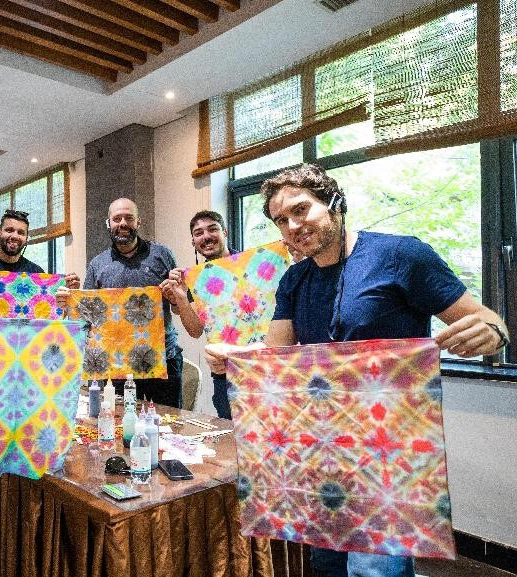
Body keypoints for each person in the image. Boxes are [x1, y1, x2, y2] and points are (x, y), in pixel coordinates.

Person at [205, 163, 508, 577]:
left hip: (386, 453)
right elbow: (275, 359)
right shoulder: (294, 280)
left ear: (334, 202)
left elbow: (491, 321)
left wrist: (491, 333)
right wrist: (232, 355)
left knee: (373, 570)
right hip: (317, 448)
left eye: (301, 210)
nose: (293, 225)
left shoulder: (400, 255)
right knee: (326, 563)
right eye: (281, 220)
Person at [81, 197, 184, 408]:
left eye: (129, 218)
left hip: (164, 358)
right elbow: (88, 315)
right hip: (117, 363)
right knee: (120, 425)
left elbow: (179, 307)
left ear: (139, 222)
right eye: (117, 218)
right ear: (108, 223)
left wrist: (176, 296)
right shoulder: (97, 265)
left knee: (171, 424)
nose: (123, 223)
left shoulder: (162, 255)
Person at [160, 210, 235, 418]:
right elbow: (194, 330)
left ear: (225, 232)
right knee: (231, 434)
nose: (206, 237)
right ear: (193, 242)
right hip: (223, 370)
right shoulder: (197, 279)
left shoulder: (253, 264)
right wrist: (181, 296)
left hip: (261, 364)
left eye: (213, 229)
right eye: (198, 233)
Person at [0, 208, 80, 315]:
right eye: (9, 230)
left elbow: (46, 313)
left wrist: (70, 294)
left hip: (22, 341)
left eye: (20, 232)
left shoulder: (35, 273)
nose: (14, 236)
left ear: (26, 238)